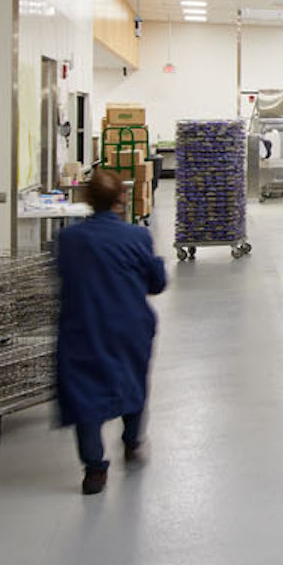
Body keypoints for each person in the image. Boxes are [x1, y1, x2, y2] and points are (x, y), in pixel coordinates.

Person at [55, 169, 167, 495]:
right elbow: (157, 283)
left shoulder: (69, 240)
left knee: (84, 395)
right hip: (128, 326)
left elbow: (64, 278)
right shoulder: (138, 237)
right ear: (122, 199)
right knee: (132, 381)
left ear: (87, 199)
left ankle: (94, 470)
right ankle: (132, 443)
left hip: (83, 326)